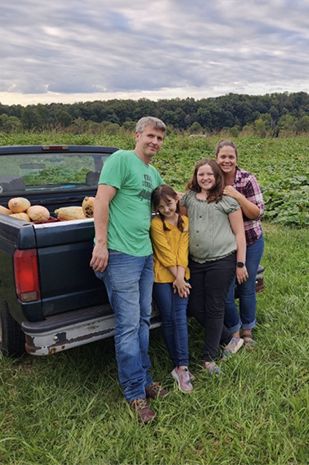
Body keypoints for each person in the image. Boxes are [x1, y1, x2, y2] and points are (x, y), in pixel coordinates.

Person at [90, 116, 168, 424]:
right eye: (150, 136)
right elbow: (102, 201)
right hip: (120, 254)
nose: (155, 142)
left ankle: (146, 380)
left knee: (143, 321)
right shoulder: (121, 160)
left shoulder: (152, 172)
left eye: (160, 139)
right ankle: (134, 393)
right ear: (136, 135)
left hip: (145, 253)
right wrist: (100, 244)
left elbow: (163, 206)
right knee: (127, 324)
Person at [180, 159, 248, 377]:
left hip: (222, 260)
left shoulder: (227, 201)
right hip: (196, 261)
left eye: (210, 174)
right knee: (195, 306)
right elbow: (180, 223)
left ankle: (209, 359)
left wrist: (240, 264)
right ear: (196, 176)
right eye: (201, 174)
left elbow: (239, 234)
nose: (205, 178)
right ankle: (229, 339)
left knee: (215, 306)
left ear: (217, 177)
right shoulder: (188, 198)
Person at [215, 140, 265, 350]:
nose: (227, 161)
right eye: (223, 157)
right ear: (216, 159)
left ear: (236, 159)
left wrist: (236, 195)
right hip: (223, 245)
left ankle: (248, 331)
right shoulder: (211, 179)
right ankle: (234, 332)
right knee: (225, 292)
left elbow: (257, 213)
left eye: (231, 157)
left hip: (251, 240)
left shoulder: (247, 180)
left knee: (246, 286)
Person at [150, 184, 194, 393]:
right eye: (161, 207)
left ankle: (183, 366)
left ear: (176, 199)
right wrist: (176, 277)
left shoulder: (184, 221)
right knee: (168, 319)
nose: (167, 209)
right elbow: (164, 252)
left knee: (180, 317)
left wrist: (179, 277)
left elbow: (182, 250)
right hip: (162, 277)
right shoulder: (156, 224)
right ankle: (177, 365)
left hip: (181, 277)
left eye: (169, 203)